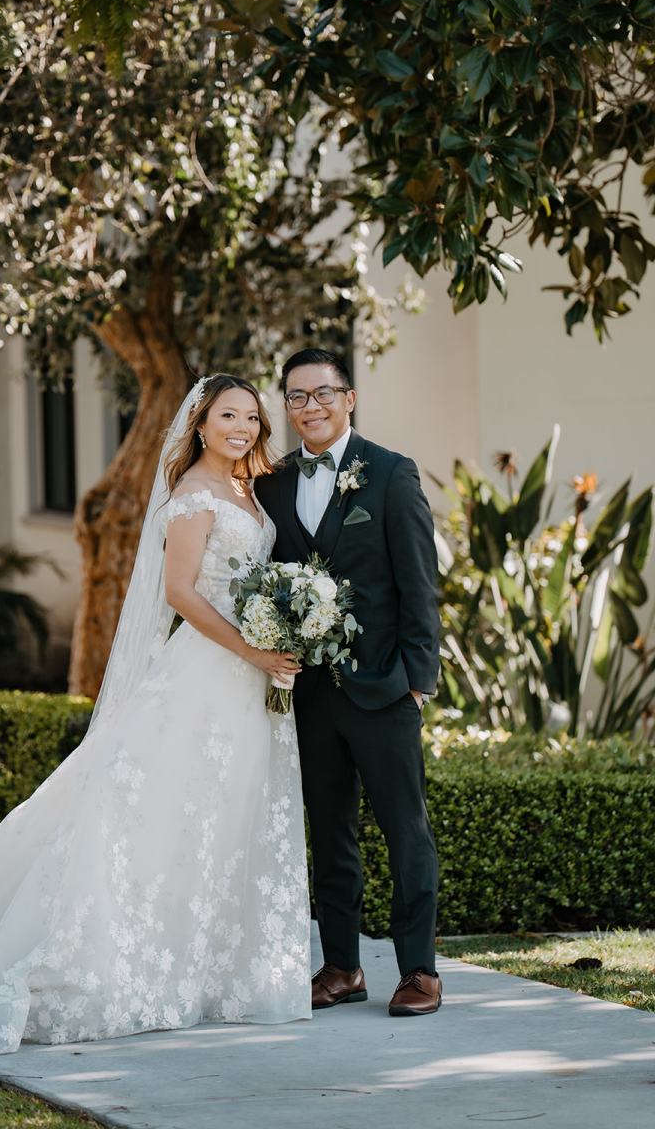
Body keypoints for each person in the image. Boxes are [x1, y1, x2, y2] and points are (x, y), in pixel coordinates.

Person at [0, 374, 310, 1060]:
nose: (242, 428)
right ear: (199, 423)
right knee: (168, 814)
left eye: (252, 418)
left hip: (250, 682)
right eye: (228, 416)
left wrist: (283, 628)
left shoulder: (246, 489)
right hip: (207, 672)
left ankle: (211, 967)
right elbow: (181, 594)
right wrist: (253, 649)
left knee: (223, 815)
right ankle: (131, 963)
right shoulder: (194, 496)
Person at [255, 348, 442, 1017]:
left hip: (384, 688)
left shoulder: (391, 473)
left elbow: (420, 582)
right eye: (297, 397)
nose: (311, 407)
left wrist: (418, 682)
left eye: (323, 393)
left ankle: (419, 970)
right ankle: (341, 966)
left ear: (349, 398)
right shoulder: (272, 484)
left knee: (405, 832)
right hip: (308, 694)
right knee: (329, 832)